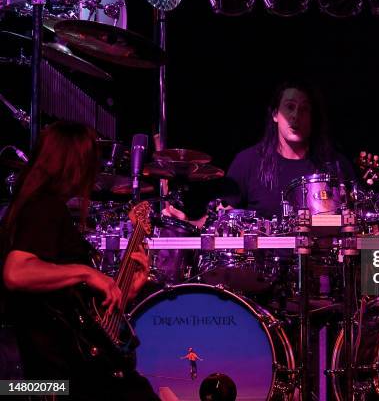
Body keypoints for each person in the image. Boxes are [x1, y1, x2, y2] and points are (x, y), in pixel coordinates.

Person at [1, 121, 159, 400]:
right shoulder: (43, 207)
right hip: (55, 383)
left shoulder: (39, 207)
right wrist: (86, 273)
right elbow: (16, 272)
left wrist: (125, 294)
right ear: (75, 164)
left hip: (65, 375)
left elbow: (67, 310)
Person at [164, 79, 355, 225]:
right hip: (262, 273)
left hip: (323, 270)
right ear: (275, 115)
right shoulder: (248, 162)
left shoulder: (335, 165)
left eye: (304, 109)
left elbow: (356, 221)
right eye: (289, 107)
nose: (296, 115)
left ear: (313, 118)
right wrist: (191, 223)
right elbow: (222, 220)